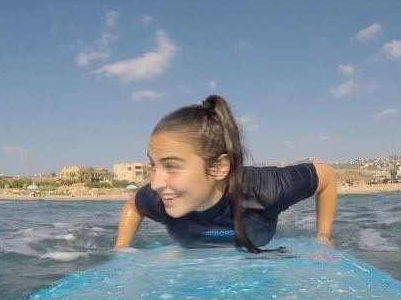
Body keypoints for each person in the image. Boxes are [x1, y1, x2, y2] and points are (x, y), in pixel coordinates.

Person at [114, 95, 338, 253]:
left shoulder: (266, 190)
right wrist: (121, 250)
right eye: (153, 165)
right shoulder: (160, 199)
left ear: (219, 167)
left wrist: (323, 238)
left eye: (171, 166)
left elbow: (326, 176)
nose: (155, 183)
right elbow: (134, 206)